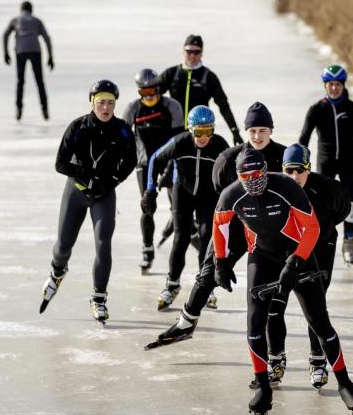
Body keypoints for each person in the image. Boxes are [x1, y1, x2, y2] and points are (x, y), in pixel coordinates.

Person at [213, 149, 353, 414]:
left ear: (265, 171)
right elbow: (219, 225)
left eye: (257, 174)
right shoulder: (232, 195)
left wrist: (296, 261)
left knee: (319, 322)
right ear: (238, 177)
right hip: (262, 256)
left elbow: (313, 228)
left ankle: (345, 384)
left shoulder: (285, 186)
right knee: (254, 323)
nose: (252, 181)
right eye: (245, 176)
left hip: (298, 253)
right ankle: (263, 387)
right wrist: (221, 262)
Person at [153, 102, 285, 344]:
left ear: (271, 131)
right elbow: (221, 198)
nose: (257, 136)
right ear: (246, 132)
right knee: (209, 271)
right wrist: (222, 259)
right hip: (236, 226)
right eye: (252, 131)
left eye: (262, 131)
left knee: (272, 293)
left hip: (270, 233)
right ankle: (186, 322)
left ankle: (279, 352)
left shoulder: (283, 156)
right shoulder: (229, 158)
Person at [40, 80, 137, 323]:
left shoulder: (123, 129)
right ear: (92, 103)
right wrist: (87, 175)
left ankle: (99, 298)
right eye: (101, 102)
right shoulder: (78, 127)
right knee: (63, 246)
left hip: (103, 196)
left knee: (103, 244)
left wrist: (112, 180)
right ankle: (57, 272)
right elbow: (60, 163)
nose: (106, 107)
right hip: (76, 192)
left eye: (111, 103)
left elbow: (130, 161)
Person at [274, 143, 351, 390]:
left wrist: (325, 232)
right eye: (289, 171)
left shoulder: (326, 188)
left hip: (321, 247)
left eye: (300, 170)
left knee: (316, 305)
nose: (295, 177)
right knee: (277, 301)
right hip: (289, 249)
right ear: (282, 169)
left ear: (309, 168)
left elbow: (343, 210)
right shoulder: (277, 188)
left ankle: (317, 361)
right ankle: (275, 358)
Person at [142, 105, 230, 311]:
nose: (202, 137)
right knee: (181, 237)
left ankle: (206, 286)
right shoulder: (180, 142)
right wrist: (150, 190)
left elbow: (233, 169)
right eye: (198, 132)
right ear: (190, 130)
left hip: (208, 196)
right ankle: (172, 284)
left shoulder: (219, 145)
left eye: (207, 131)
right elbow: (155, 158)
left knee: (208, 238)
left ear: (213, 130)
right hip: (183, 193)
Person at [298, 64, 353, 266]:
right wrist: (299, 167)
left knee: (351, 205)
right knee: (322, 205)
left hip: (349, 162)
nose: (334, 88)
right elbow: (303, 141)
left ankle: (348, 244)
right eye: (330, 84)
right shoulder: (316, 110)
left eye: (338, 84)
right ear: (325, 86)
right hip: (325, 162)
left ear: (343, 85)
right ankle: (322, 242)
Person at [122, 69, 184, 273]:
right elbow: (122, 139)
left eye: (152, 91)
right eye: (144, 92)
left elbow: (179, 141)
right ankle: (147, 249)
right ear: (139, 92)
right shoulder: (133, 109)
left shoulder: (172, 107)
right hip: (145, 164)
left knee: (179, 207)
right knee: (147, 206)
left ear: (159, 88)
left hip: (168, 162)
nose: (149, 96)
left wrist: (172, 168)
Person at [159, 34, 243, 144]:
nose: (192, 56)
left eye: (196, 52)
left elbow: (223, 105)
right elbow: (152, 97)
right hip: (174, 131)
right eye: (189, 52)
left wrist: (234, 131)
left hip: (199, 134)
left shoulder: (208, 76)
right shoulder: (171, 73)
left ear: (202, 53)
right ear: (183, 52)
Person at [3, 0, 54, 121]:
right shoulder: (37, 21)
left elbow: (5, 35)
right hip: (35, 51)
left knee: (20, 81)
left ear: (21, 10)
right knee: (40, 81)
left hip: (20, 51)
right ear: (31, 10)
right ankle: (45, 109)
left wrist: (5, 53)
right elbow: (47, 38)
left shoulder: (16, 20)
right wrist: (51, 56)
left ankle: (19, 109)